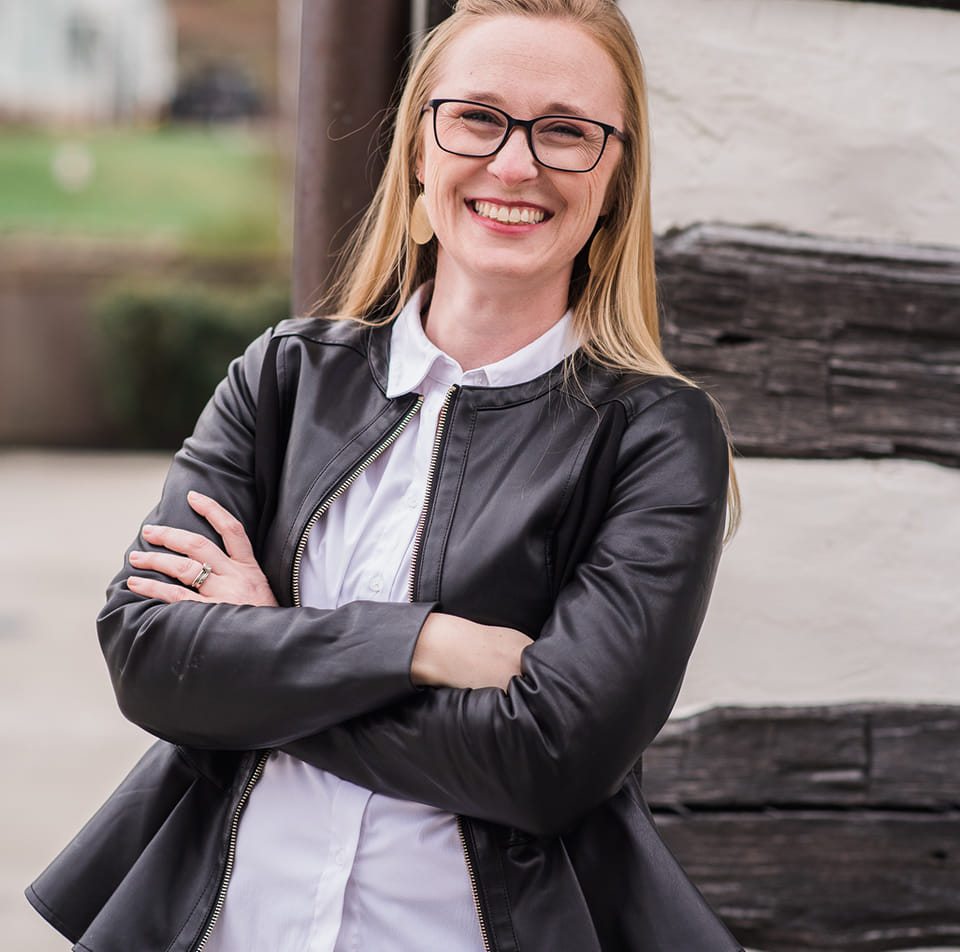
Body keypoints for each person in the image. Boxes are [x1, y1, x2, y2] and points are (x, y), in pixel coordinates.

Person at [27, 0, 745, 949]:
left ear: (614, 178)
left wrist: (269, 658)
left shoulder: (654, 436)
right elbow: (150, 654)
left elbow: (549, 759)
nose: (516, 162)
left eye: (567, 131)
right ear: (419, 146)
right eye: (478, 117)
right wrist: (421, 645)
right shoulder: (286, 377)